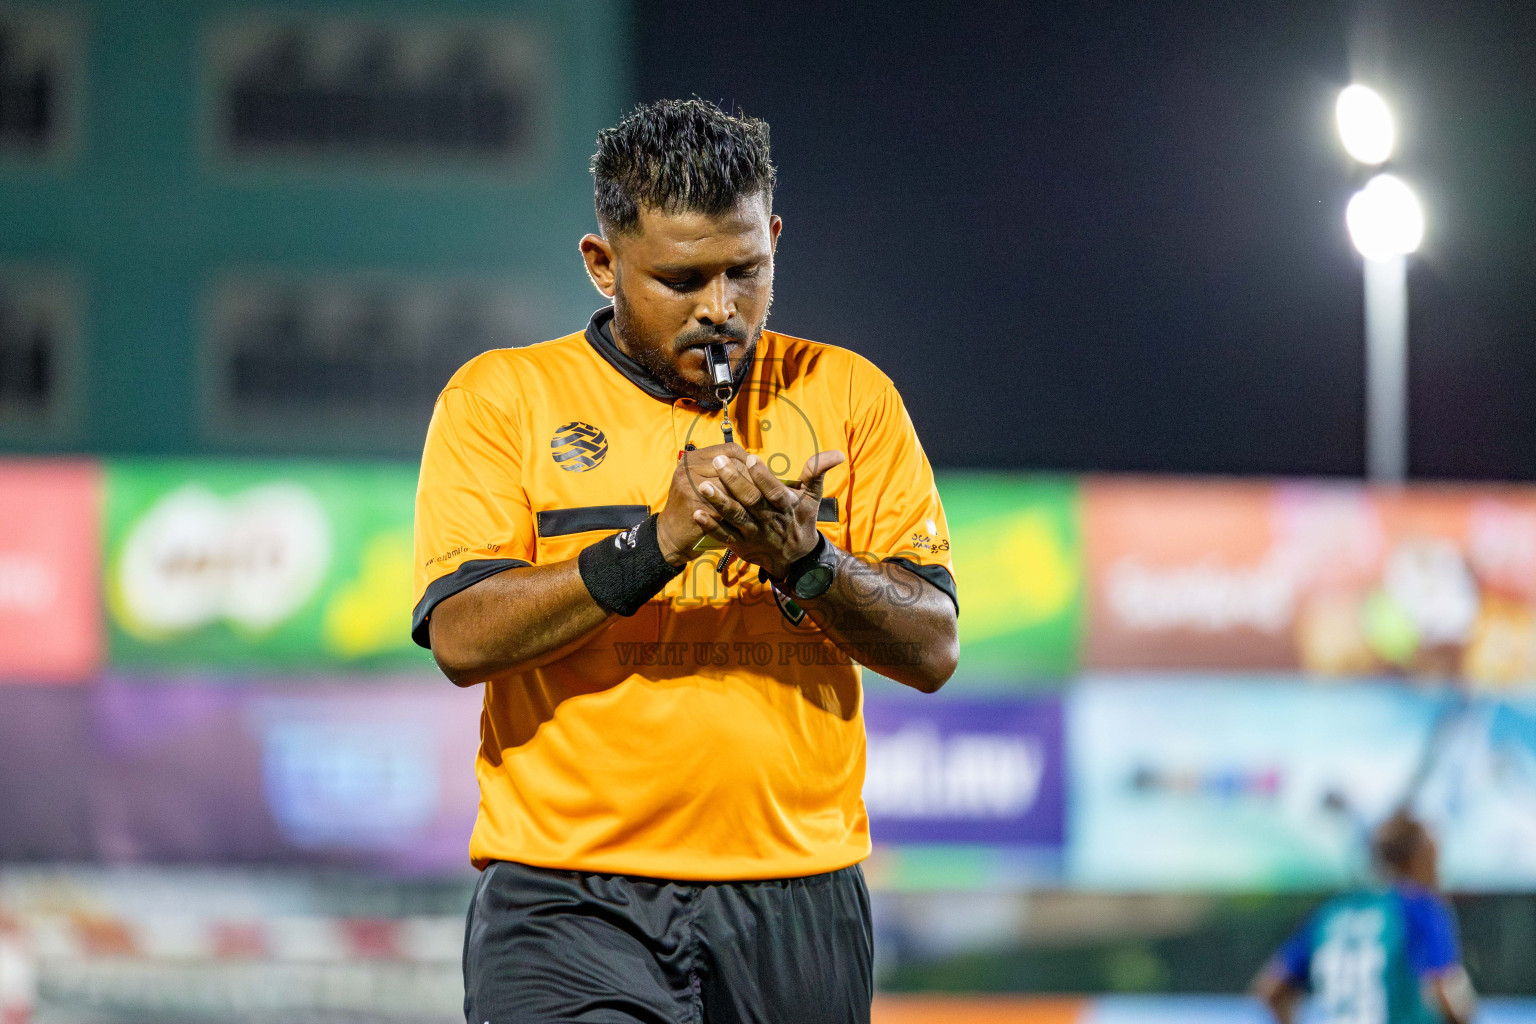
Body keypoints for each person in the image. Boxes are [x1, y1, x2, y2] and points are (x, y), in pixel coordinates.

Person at [411, 99, 958, 1024]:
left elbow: (933, 647)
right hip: (568, 895)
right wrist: (656, 543)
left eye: (747, 270)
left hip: (800, 894)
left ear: (775, 239)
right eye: (682, 277)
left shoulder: (851, 394)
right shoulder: (502, 396)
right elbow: (462, 637)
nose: (721, 307)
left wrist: (806, 560)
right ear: (602, 263)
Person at [1252, 812, 1477, 1024]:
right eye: (1433, 857)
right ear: (1417, 859)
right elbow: (1443, 990)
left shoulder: (1331, 913)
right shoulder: (1418, 907)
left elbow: (1271, 989)